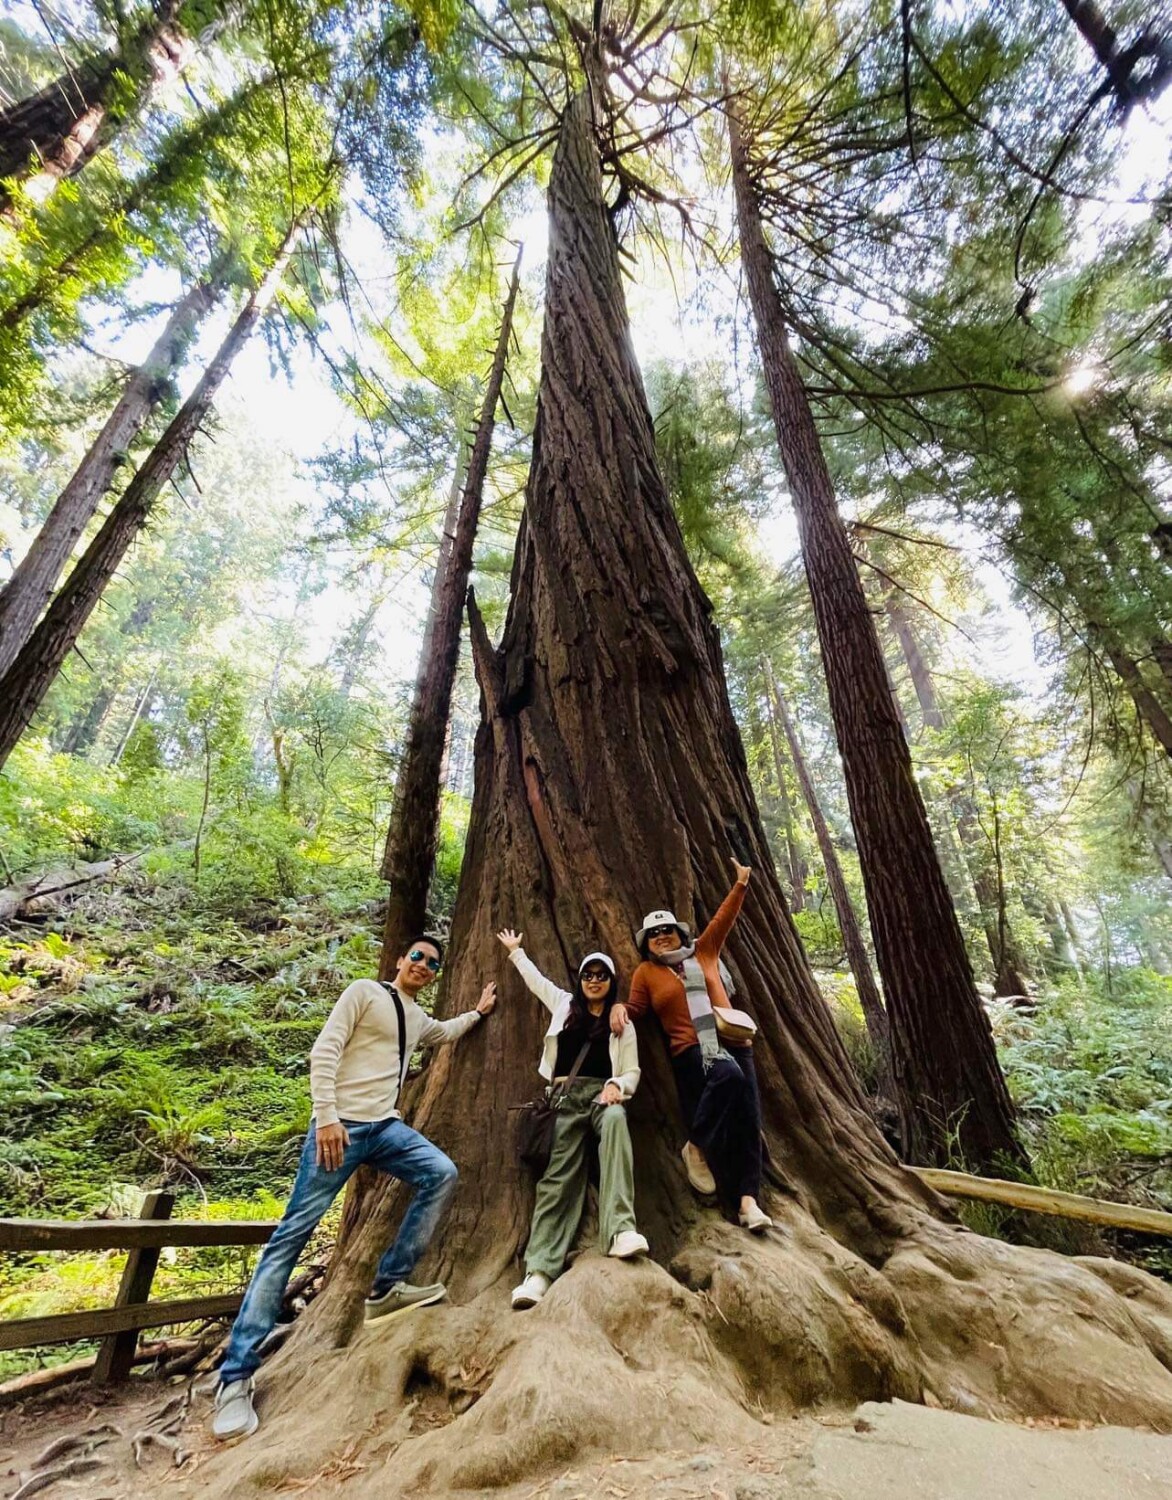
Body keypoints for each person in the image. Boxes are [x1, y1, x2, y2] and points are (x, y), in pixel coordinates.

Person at [211, 936, 495, 1442]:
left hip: (385, 1129)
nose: (424, 966)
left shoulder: (415, 1019)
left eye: (433, 963)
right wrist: (325, 1119)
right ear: (398, 960)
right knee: (289, 1240)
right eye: (417, 957)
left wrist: (477, 1011)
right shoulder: (364, 992)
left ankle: (388, 1286)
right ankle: (234, 1378)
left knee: (441, 1172)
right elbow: (325, 1051)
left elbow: (446, 1032)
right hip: (337, 1132)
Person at [610, 860, 771, 1234]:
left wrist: (741, 884)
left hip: (736, 1041)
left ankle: (748, 1202)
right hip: (691, 1051)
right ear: (646, 943)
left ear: (681, 934)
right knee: (727, 1077)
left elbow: (724, 918)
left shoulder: (705, 952)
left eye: (668, 930)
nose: (663, 935)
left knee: (749, 1122)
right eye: (654, 933)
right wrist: (619, 1006)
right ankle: (695, 1147)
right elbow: (636, 1008)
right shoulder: (647, 973)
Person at [497, 928, 648, 1310]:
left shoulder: (621, 1021)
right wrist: (516, 952)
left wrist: (617, 1086)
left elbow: (631, 1069)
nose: (594, 981)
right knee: (557, 1178)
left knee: (615, 1122)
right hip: (564, 1100)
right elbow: (536, 984)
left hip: (602, 1096)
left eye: (602, 975)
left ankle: (619, 1230)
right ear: (580, 980)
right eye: (588, 975)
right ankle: (539, 1271)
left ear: (611, 982)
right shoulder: (565, 1006)